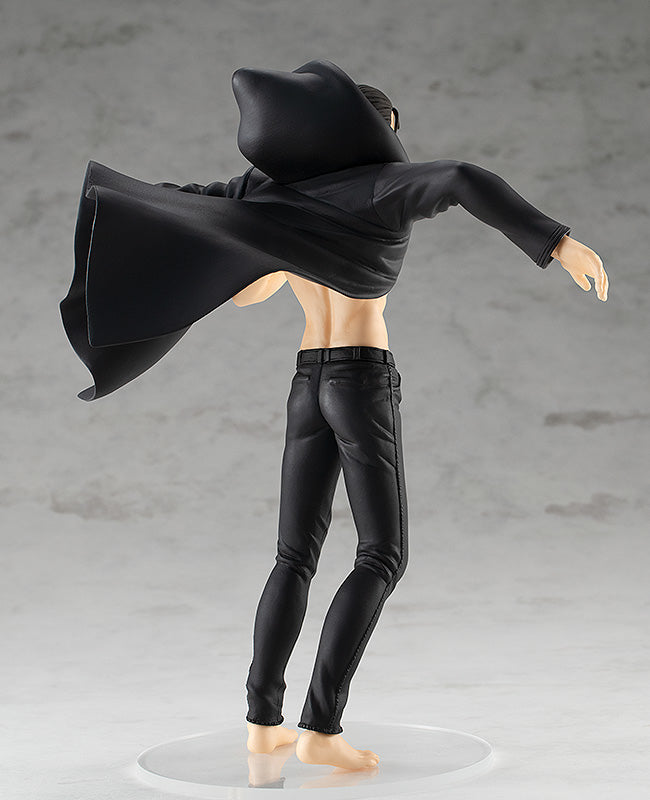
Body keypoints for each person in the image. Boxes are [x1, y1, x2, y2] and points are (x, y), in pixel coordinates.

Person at [59, 60, 608, 772]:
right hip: (361, 378)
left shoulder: (275, 194)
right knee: (382, 554)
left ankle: (263, 724)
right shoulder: (380, 187)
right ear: (371, 130)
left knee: (294, 555)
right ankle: (321, 726)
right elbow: (461, 177)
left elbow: (247, 289)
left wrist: (247, 241)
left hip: (306, 381)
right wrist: (557, 242)